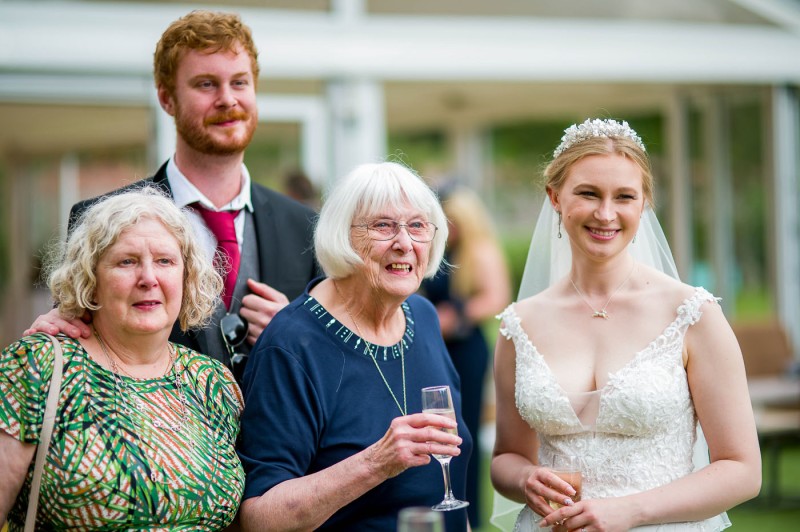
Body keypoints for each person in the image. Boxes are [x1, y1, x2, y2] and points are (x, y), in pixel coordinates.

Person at [490, 118, 761, 531]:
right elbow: (505, 457)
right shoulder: (520, 324)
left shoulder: (692, 315)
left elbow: (742, 470)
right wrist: (526, 477)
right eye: (588, 193)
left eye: (624, 196)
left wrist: (630, 511)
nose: (605, 213)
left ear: (644, 203)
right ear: (555, 197)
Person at [25, 10, 318, 375]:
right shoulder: (97, 219)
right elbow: (77, 347)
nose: (227, 99)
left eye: (240, 82)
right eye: (206, 84)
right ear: (166, 98)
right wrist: (54, 337)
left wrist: (300, 335)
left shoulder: (306, 227)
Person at [237, 162, 472, 531]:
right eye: (383, 226)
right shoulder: (292, 344)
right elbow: (260, 518)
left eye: (417, 226)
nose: (404, 244)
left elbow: (449, 486)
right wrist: (376, 462)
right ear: (342, 236)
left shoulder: (423, 316)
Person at [0, 188, 244, 530]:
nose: (148, 278)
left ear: (186, 277)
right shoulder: (38, 366)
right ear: (90, 278)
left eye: (165, 261)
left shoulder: (212, 382)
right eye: (127, 261)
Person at [421, 182, 511, 528]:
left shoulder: (481, 251)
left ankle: (467, 510)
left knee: (465, 427)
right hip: (436, 345)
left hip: (467, 347)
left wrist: (455, 317)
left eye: (453, 220)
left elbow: (496, 298)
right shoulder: (441, 251)